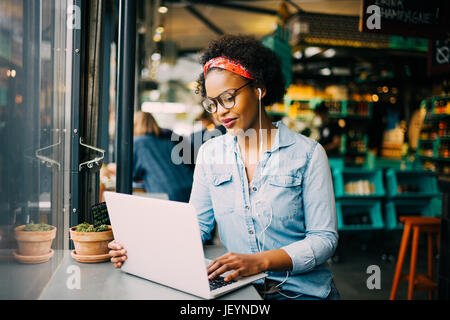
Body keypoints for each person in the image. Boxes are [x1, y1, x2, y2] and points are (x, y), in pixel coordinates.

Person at [109, 35, 340, 300]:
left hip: (302, 294)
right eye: (212, 103)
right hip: (241, 291)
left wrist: (260, 262)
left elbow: (324, 240)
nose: (219, 111)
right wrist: (139, 248)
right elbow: (196, 225)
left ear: (259, 89)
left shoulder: (307, 154)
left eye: (228, 98)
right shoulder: (211, 153)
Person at [132, 111, 193, 202]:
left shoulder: (138, 142)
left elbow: (133, 175)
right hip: (190, 187)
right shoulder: (168, 138)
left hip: (167, 194)